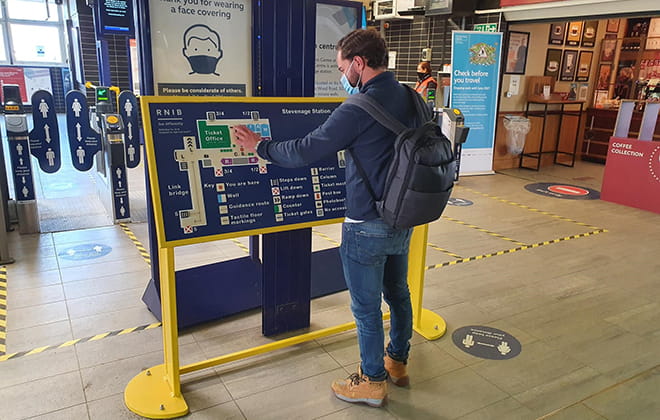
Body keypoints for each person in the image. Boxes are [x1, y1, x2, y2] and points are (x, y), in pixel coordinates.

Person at [233, 29, 418, 408]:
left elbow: (306, 150)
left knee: (365, 308)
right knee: (398, 293)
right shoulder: (413, 98)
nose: (342, 75)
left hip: (366, 222)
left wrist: (260, 146)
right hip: (404, 215)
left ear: (358, 63)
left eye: (341, 67)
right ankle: (397, 361)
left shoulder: (358, 108)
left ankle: (371, 381)